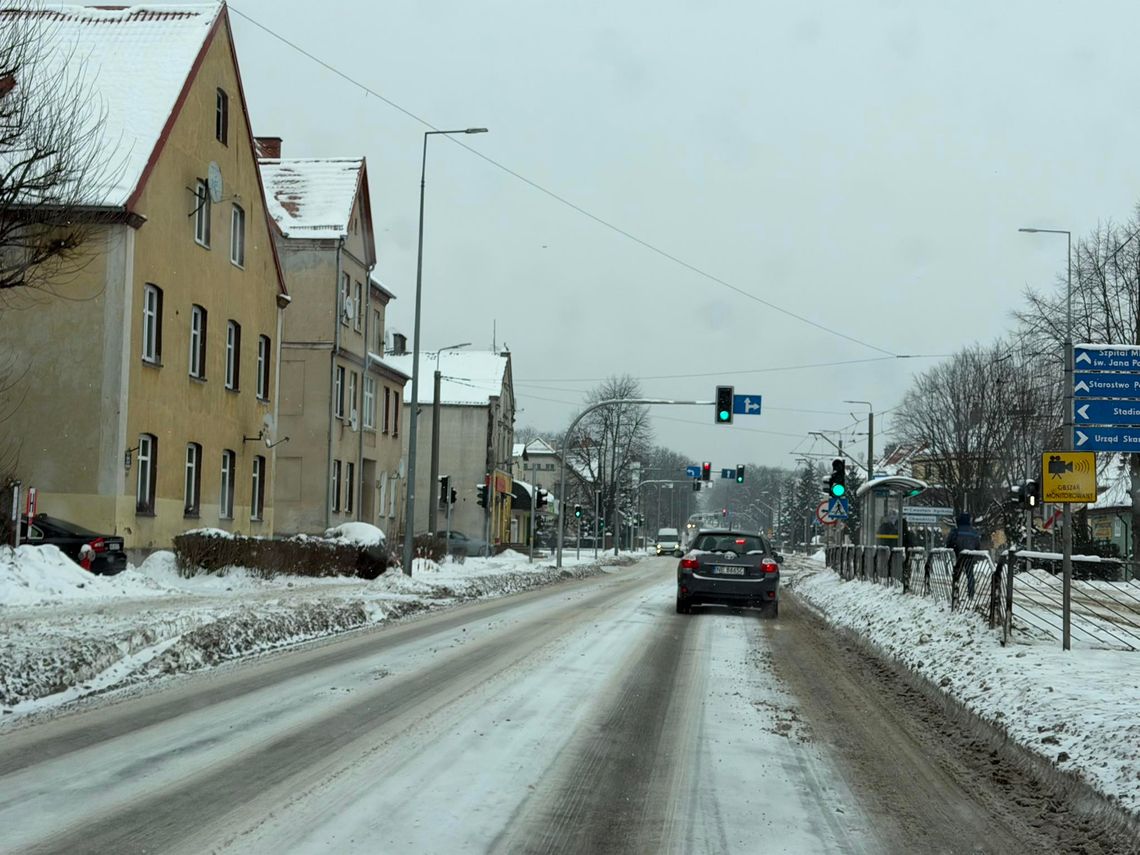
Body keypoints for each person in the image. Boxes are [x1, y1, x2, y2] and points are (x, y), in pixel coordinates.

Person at [946, 513, 982, 597]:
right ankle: (971, 593)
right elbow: (978, 544)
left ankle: (955, 593)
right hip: (970, 556)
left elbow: (949, 543)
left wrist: (952, 548)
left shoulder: (956, 531)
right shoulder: (973, 531)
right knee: (970, 575)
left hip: (959, 556)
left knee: (957, 575)